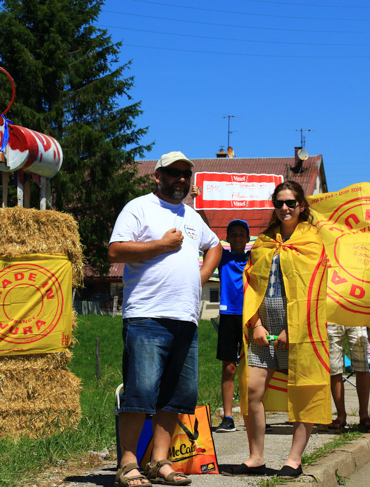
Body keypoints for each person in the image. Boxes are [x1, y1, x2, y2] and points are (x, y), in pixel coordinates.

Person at [108, 151, 222, 487]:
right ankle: (128, 464)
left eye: (186, 175)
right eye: (174, 173)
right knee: (140, 392)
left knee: (177, 395)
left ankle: (159, 461)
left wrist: (200, 276)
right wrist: (160, 245)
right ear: (158, 176)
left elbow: (214, 245)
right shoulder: (139, 207)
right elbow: (115, 251)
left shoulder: (191, 215)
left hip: (186, 318)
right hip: (146, 316)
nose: (181, 180)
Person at [224, 181, 330, 479]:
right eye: (280, 202)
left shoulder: (313, 241)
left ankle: (294, 460)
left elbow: (314, 290)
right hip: (262, 324)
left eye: (291, 203)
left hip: (301, 327)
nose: (285, 207)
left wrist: (290, 328)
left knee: (304, 391)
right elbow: (251, 283)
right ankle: (256, 458)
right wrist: (255, 323)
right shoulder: (263, 241)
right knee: (252, 389)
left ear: (302, 206)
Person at [213, 219, 251, 432]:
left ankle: (254, 413)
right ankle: (228, 417)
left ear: (248, 238)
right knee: (229, 367)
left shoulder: (255, 257)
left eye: (241, 234)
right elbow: (207, 234)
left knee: (254, 368)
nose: (237, 237)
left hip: (251, 316)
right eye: (233, 234)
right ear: (227, 238)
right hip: (228, 315)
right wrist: (198, 205)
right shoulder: (223, 257)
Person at [327, 324, 370, 431]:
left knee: (362, 365)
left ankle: (364, 415)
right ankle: (341, 415)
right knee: (334, 367)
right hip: (332, 317)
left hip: (357, 317)